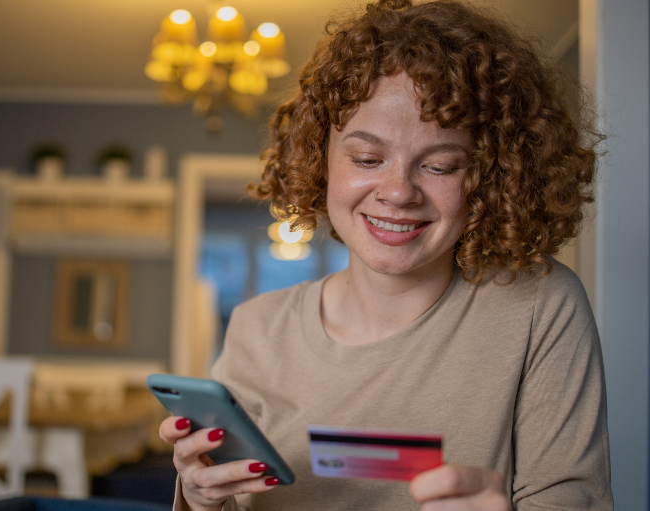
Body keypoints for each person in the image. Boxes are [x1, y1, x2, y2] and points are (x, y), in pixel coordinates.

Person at [159, 1, 611, 510]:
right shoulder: (254, 329)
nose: (398, 192)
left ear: (492, 177)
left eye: (440, 166)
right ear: (319, 157)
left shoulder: (539, 307)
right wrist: (201, 501)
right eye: (367, 158)